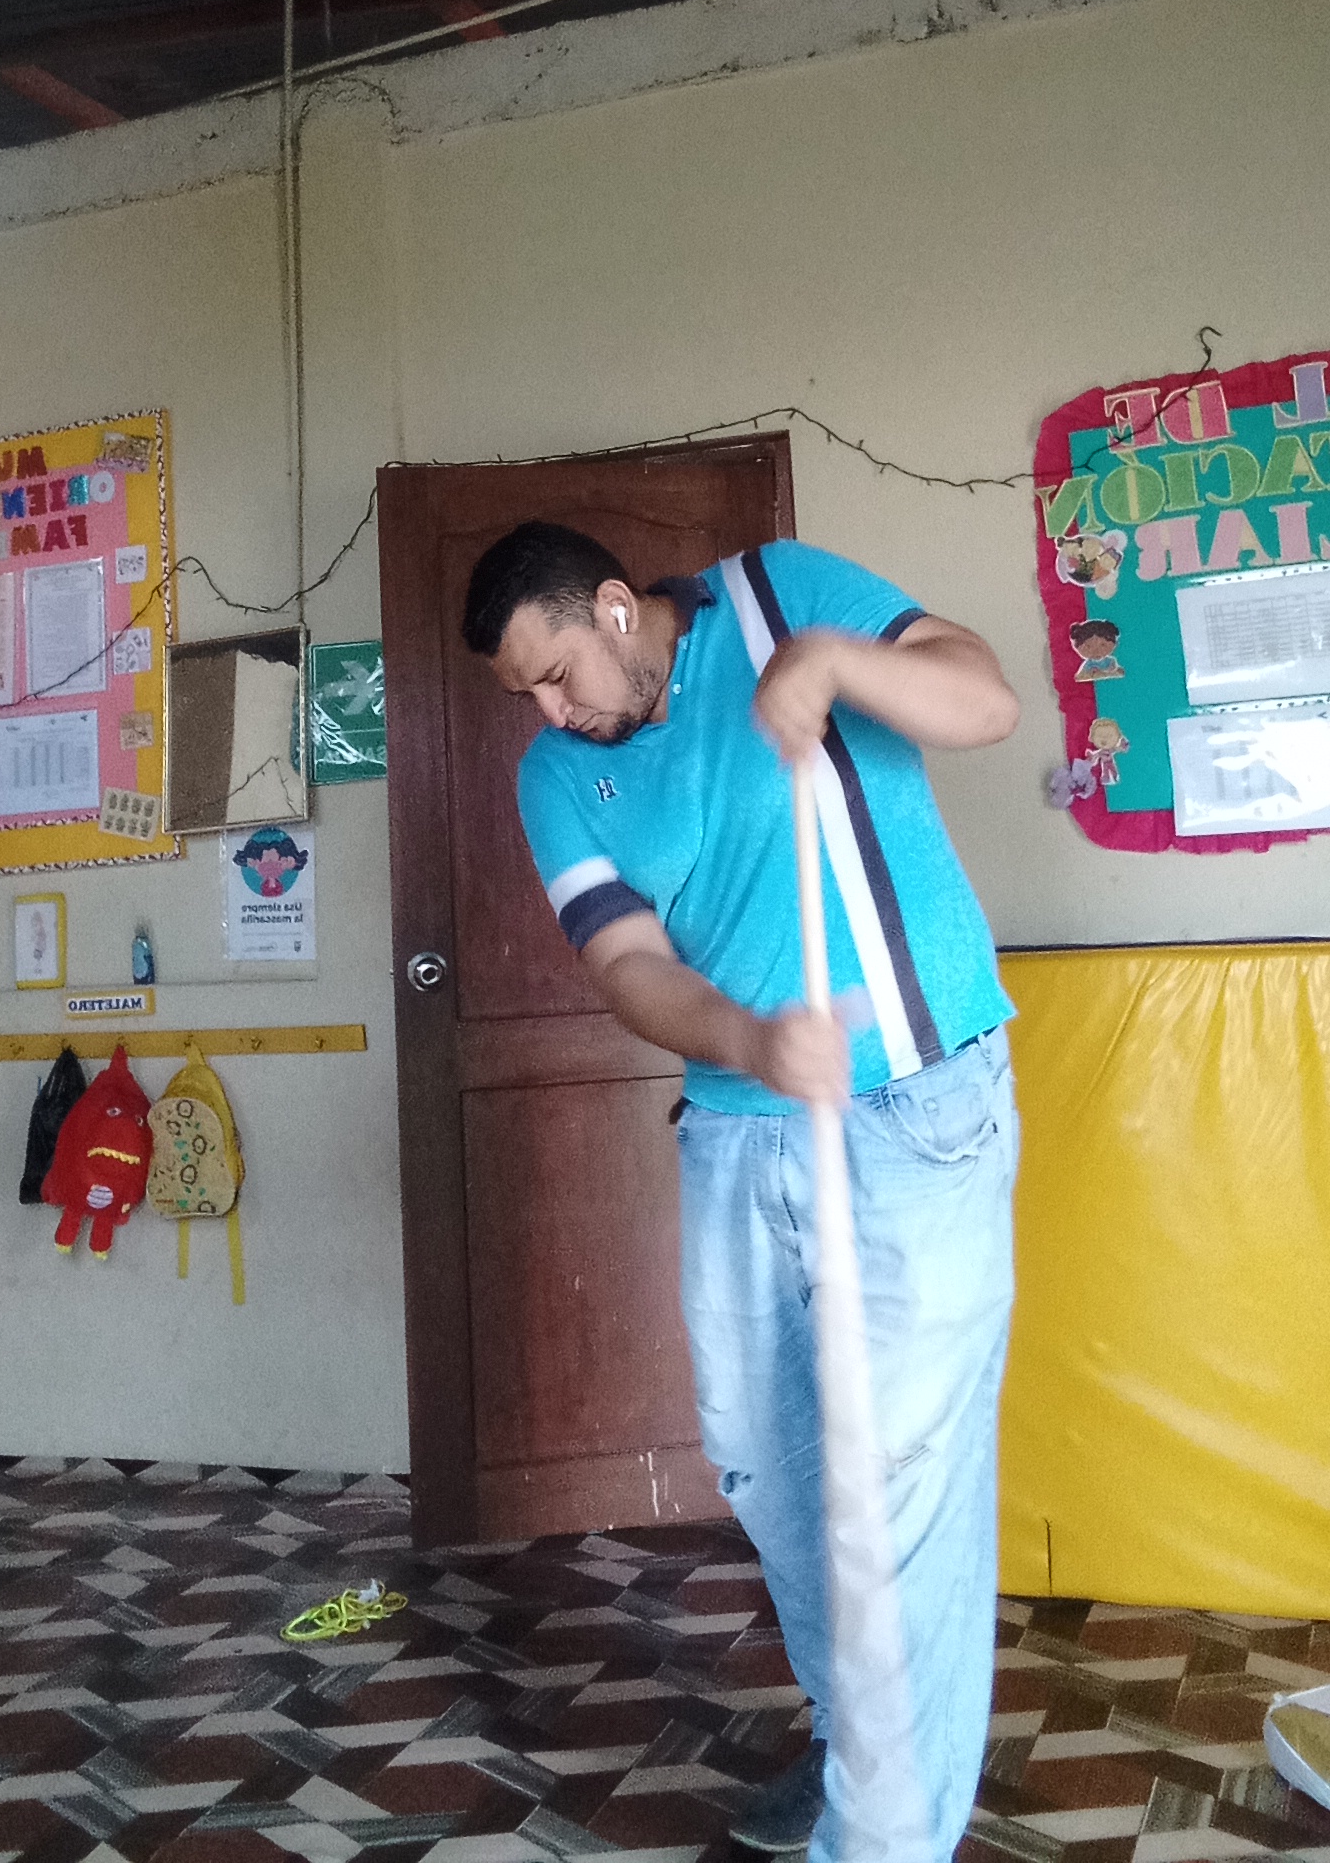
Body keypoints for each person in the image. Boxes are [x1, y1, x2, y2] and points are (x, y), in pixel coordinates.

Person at [462, 521, 1020, 1863]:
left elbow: (985, 703)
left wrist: (836, 662)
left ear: (614, 608)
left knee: (899, 1482)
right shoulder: (556, 776)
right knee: (773, 1467)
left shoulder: (785, 594)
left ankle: (883, 1837)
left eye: (556, 674)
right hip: (738, 1131)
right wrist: (753, 1043)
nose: (550, 712)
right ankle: (857, 1741)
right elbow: (628, 966)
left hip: (916, 1107)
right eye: (526, 694)